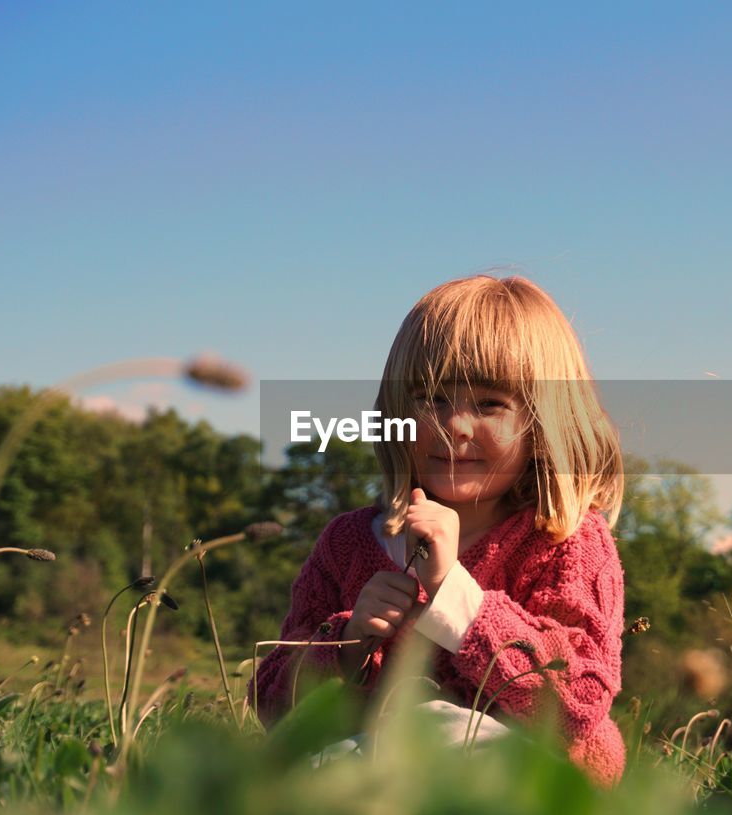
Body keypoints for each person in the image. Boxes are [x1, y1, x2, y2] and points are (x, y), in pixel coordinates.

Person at [248, 274, 626, 787]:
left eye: (490, 403)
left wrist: (459, 598)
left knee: (441, 729)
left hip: (528, 796)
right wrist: (349, 640)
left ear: (542, 426)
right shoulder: (348, 543)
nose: (456, 426)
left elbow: (577, 702)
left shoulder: (566, 542)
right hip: (372, 782)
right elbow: (273, 706)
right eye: (431, 398)